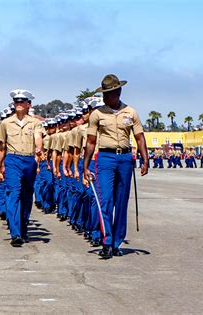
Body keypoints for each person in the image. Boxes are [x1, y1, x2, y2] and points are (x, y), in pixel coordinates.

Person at [83, 74, 148, 259]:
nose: (105, 97)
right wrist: (86, 166)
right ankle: (106, 242)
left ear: (117, 92)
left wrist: (145, 159)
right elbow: (90, 141)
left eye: (108, 93)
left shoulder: (131, 112)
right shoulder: (97, 114)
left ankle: (117, 241)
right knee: (105, 201)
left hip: (125, 159)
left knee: (121, 202)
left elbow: (139, 137)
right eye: (104, 93)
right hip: (105, 159)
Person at [0, 89, 43, 246]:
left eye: (22, 102)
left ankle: (23, 227)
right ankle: (15, 233)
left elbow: (38, 137)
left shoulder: (35, 122)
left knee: (27, 195)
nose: (18, 104)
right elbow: (1, 147)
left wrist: (38, 148)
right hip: (13, 159)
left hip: (29, 159)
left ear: (28, 104)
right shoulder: (6, 123)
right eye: (16, 102)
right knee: (13, 193)